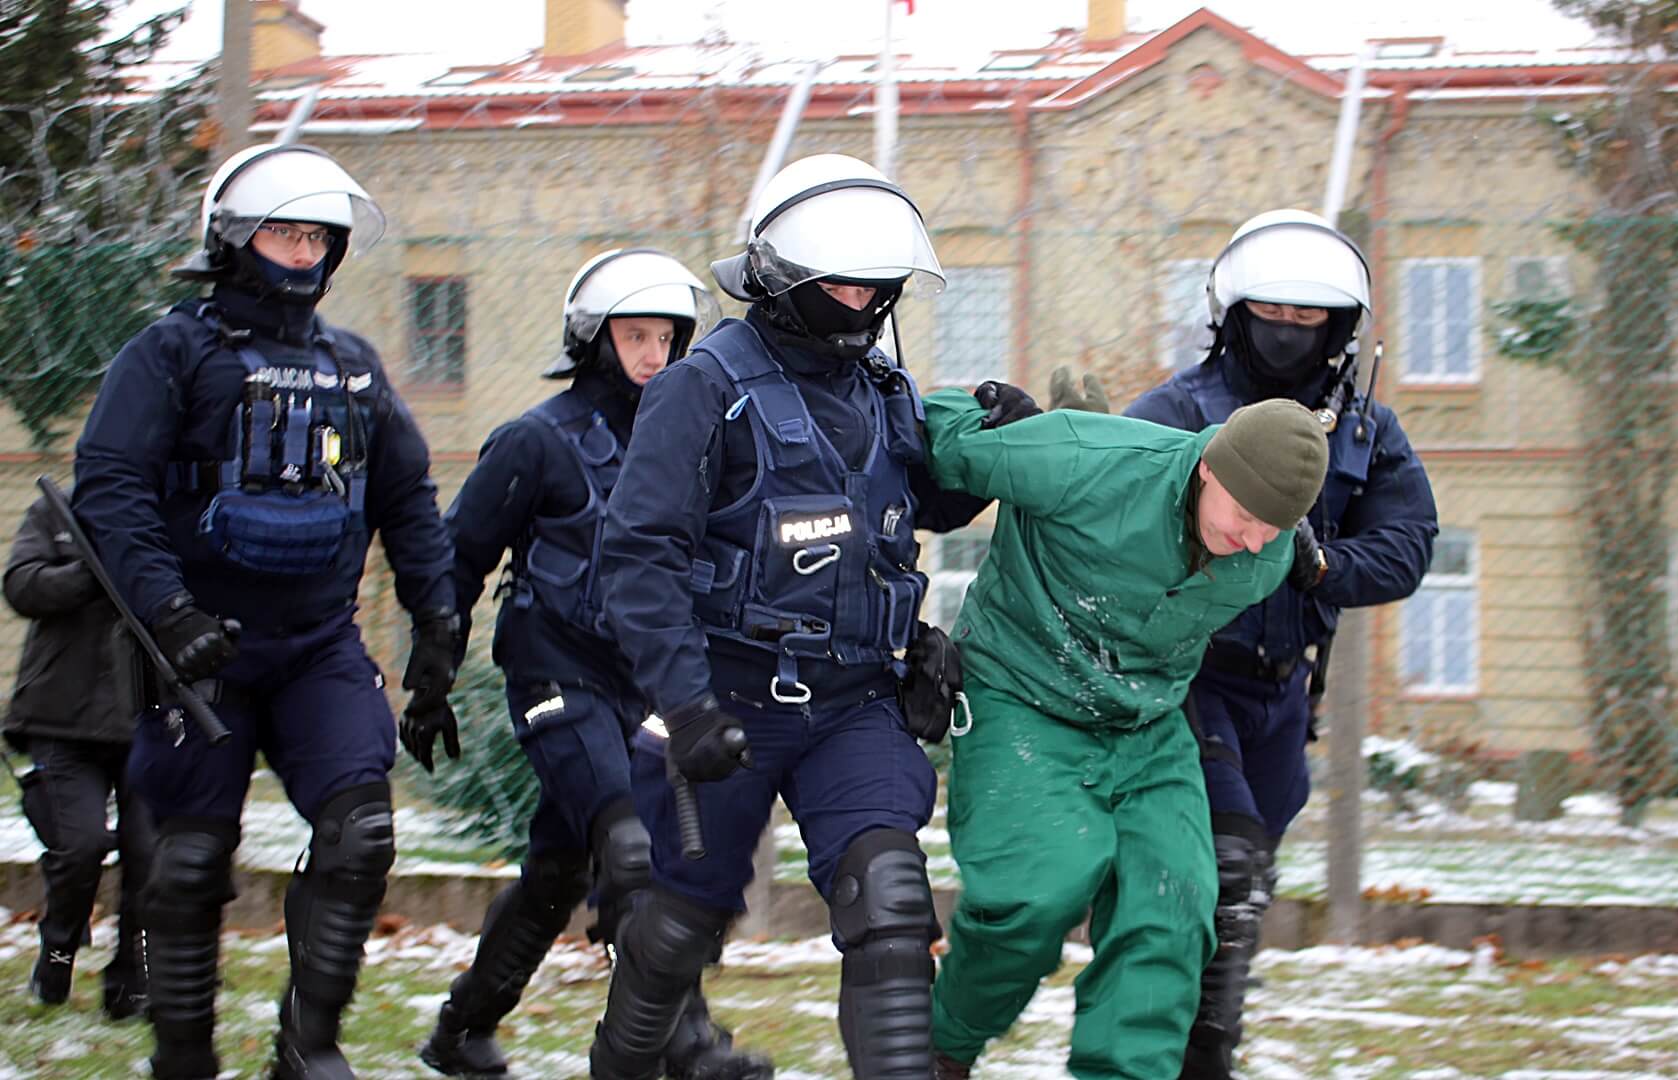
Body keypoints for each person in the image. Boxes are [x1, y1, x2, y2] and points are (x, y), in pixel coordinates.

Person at [593, 153, 995, 1080]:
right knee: (679, 927)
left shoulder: (884, 391)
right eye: (838, 284)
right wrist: (686, 706)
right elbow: (639, 554)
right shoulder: (704, 387)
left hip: (852, 703)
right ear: (784, 276)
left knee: (890, 900)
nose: (859, 303)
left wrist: (988, 438)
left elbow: (918, 504)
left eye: (874, 287)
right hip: (724, 704)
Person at [71, 143, 461, 1080]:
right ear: (236, 239)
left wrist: (437, 628)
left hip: (317, 644)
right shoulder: (170, 352)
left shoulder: (352, 366)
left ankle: (309, 1049)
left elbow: (407, 498)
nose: (303, 254)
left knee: (362, 832)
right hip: (197, 651)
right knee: (189, 863)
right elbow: (110, 487)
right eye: (284, 233)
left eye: (317, 237)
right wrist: (167, 614)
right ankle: (185, 1056)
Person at [417, 248, 767, 1080]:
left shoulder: (698, 443)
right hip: (554, 678)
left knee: (559, 868)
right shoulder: (535, 443)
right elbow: (454, 565)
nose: (654, 355)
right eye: (634, 335)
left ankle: (462, 1029)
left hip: (645, 690)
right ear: (593, 338)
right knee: (634, 843)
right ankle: (685, 1039)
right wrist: (430, 679)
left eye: (668, 338)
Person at [921, 383, 1331, 1079]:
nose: (1250, 539)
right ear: (1209, 465)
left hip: (1147, 723)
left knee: (1173, 908)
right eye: (1244, 514)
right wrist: (981, 404)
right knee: (1037, 892)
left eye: (1274, 526)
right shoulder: (1084, 461)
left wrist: (1280, 535)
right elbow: (945, 437)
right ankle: (941, 1048)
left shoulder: (1268, 553)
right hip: (1024, 697)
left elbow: (1276, 539)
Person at [1124, 209, 1437, 1079]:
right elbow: (1106, 528)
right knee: (1224, 873)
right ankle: (1188, 1059)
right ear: (1233, 314)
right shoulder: (1175, 411)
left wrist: (1323, 565)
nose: (1291, 336)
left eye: (1313, 324)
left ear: (1341, 333)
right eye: (1274, 318)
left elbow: (1409, 543)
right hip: (1185, 683)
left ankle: (1199, 1046)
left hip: (1283, 694)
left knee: (1242, 892)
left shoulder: (1366, 431)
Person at [4, 486, 155, 1020]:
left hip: (148, 719)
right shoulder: (58, 510)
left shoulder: (170, 509)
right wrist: (89, 573)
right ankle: (59, 947)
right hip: (60, 717)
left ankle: (131, 977)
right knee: (80, 844)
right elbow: (21, 585)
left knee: (148, 854)